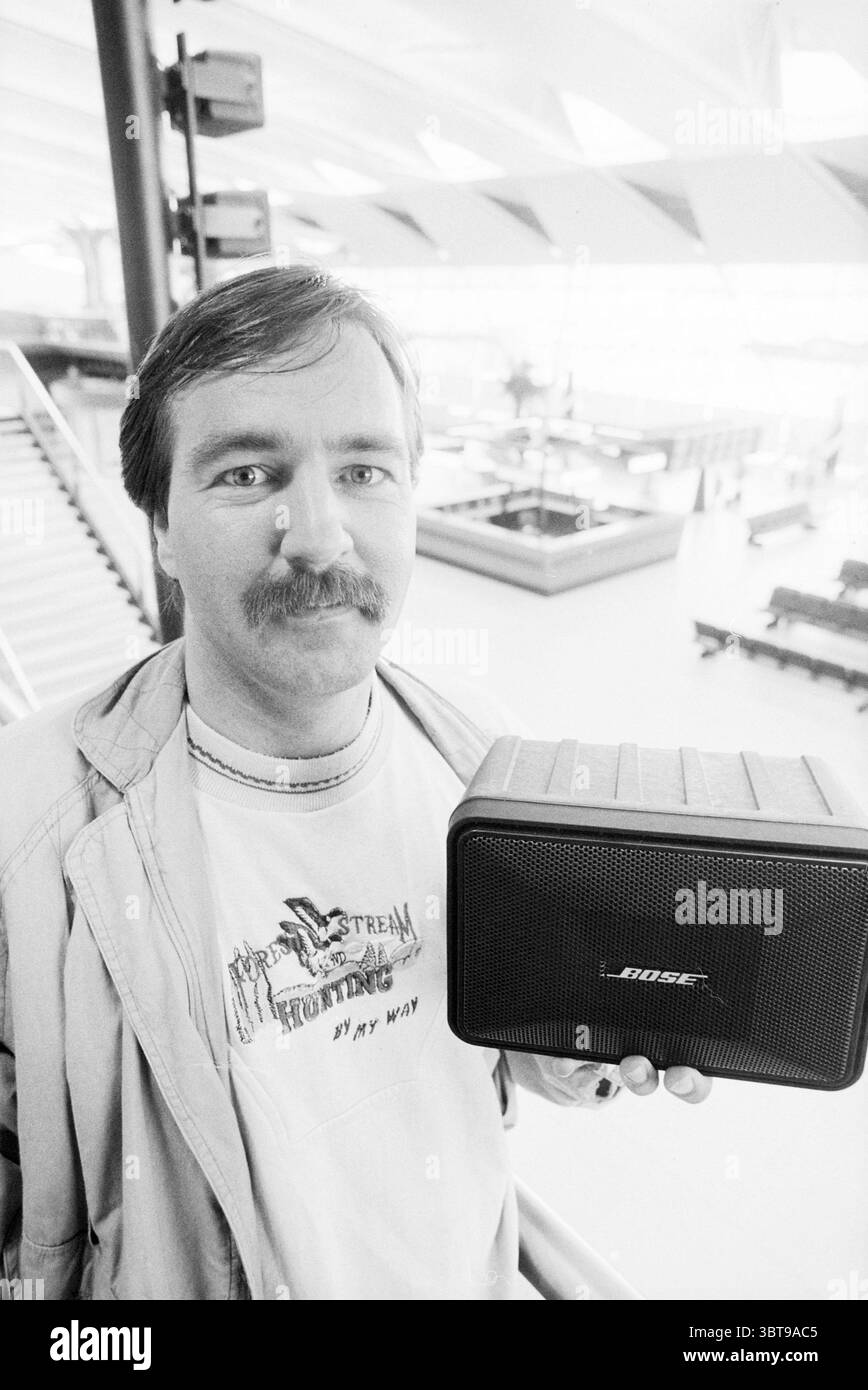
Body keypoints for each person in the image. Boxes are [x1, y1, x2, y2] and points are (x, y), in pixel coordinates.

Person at [0, 266, 710, 1302]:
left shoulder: (482, 767)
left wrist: (584, 1046)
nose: (321, 535)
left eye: (366, 469)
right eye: (247, 474)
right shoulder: (28, 831)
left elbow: (501, 1065)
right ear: (158, 526)